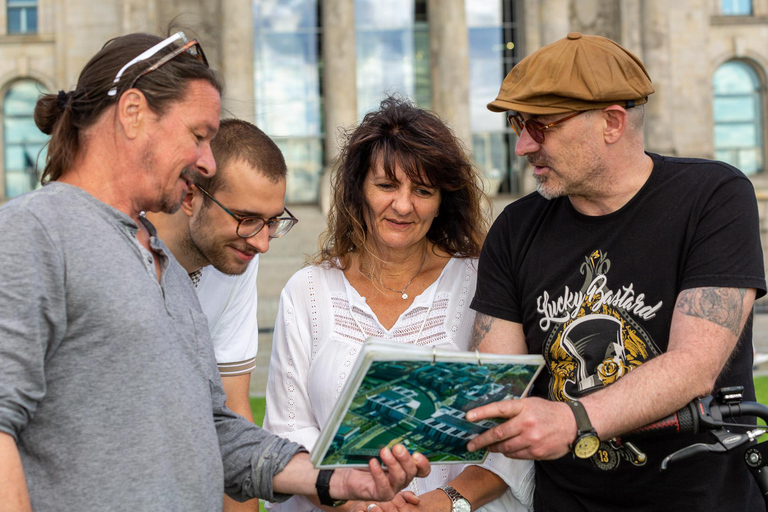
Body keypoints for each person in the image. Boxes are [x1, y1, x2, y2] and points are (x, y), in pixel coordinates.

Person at [0, 31, 428, 512]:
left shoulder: (165, 263)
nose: (206, 161)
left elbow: (216, 431)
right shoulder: (32, 232)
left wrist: (335, 479)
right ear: (133, 113)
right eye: (198, 136)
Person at [464, 32, 767, 511]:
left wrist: (573, 421)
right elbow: (500, 386)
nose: (522, 146)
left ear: (611, 122)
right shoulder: (514, 228)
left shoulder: (712, 196)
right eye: (518, 124)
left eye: (540, 126)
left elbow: (694, 365)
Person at [263, 96, 534, 512]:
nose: (404, 206)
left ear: (443, 200)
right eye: (387, 185)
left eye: (423, 190)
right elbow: (289, 428)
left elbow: (511, 425)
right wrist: (356, 504)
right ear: (359, 188)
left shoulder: (483, 281)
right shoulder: (308, 291)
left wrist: (444, 502)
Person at [146, 118, 298, 512]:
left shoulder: (237, 256)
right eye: (246, 219)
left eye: (272, 222)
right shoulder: (122, 248)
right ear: (190, 196)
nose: (262, 243)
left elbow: (231, 410)